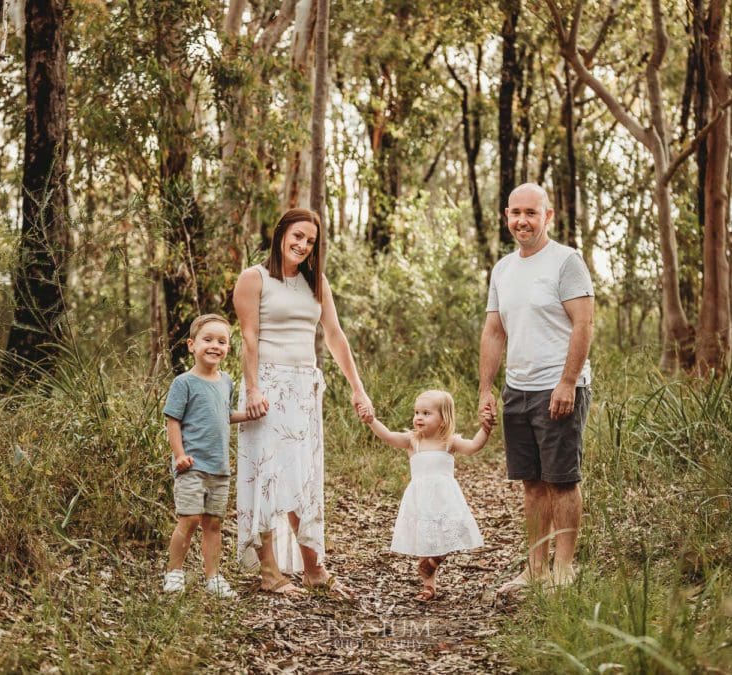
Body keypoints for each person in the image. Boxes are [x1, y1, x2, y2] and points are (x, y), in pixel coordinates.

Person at [233, 207, 373, 598]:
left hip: (305, 388)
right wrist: (253, 389)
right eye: (297, 236)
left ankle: (314, 570)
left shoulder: (317, 283)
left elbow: (334, 335)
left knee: (303, 480)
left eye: (310, 241)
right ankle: (270, 573)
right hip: (267, 386)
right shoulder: (254, 278)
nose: (302, 245)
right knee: (266, 478)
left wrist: (357, 388)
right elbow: (248, 339)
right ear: (281, 234)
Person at [478, 183, 594, 594]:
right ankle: (535, 570)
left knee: (561, 480)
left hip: (558, 387)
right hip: (518, 389)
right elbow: (494, 331)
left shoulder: (566, 261)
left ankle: (563, 571)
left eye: (531, 212)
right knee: (531, 483)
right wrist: (486, 390)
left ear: (548, 216)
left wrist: (567, 382)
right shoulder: (504, 269)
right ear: (507, 215)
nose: (522, 220)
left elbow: (584, 323)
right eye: (515, 213)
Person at [365, 390, 491, 601]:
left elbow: (473, 447)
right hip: (421, 499)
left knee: (454, 528)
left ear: (443, 419)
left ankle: (438, 556)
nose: (418, 417)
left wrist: (485, 430)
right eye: (416, 412)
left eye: (426, 413)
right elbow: (388, 436)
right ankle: (428, 586)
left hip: (445, 497)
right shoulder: (412, 441)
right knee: (426, 537)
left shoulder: (449, 441)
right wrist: (371, 421)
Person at [163, 314, 255, 597]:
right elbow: (172, 421)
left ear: (228, 348)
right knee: (189, 519)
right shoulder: (184, 383)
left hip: (218, 468)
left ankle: (213, 578)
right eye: (208, 340)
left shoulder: (226, 381)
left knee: (214, 524)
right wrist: (179, 455)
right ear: (191, 345)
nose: (215, 345)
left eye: (222, 341)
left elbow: (223, 415)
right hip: (191, 465)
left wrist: (249, 415)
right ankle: (174, 572)